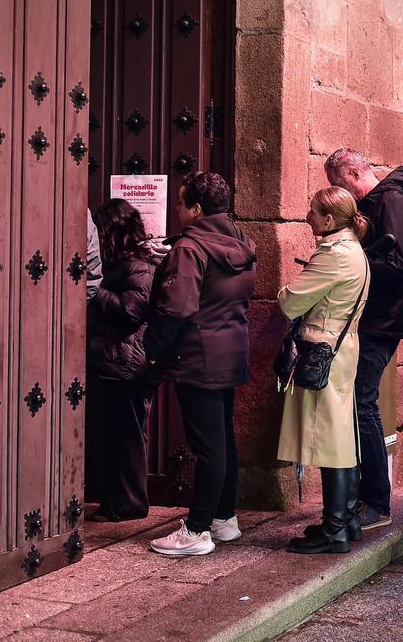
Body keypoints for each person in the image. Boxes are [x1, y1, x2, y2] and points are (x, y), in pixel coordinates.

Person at [146, 172, 257, 557]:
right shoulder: (242, 242)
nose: (176, 209)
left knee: (207, 445)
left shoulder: (191, 248)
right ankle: (223, 519)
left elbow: (177, 307)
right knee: (222, 438)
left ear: (196, 209)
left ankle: (195, 531)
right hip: (230, 349)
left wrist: (154, 348)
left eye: (180, 203)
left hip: (197, 354)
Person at [324, 148, 403, 530]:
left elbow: (400, 265)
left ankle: (376, 501)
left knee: (363, 405)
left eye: (337, 183)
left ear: (351, 172)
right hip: (369, 320)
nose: (337, 191)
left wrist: (350, 265)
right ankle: (366, 496)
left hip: (381, 322)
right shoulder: (378, 203)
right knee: (357, 405)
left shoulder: (392, 202)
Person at [278, 187, 371, 554]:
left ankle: (334, 529)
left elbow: (290, 301)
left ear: (329, 220)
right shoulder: (353, 251)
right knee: (341, 435)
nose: (307, 216)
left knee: (330, 439)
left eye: (313, 211)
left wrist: (287, 288)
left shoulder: (334, 255)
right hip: (339, 349)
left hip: (322, 350)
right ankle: (344, 521)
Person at [86, 199, 157, 522]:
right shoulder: (126, 263)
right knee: (115, 436)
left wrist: (96, 291)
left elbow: (131, 311)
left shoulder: (138, 266)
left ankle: (128, 503)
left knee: (126, 438)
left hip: (125, 364)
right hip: (117, 361)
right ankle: (116, 501)